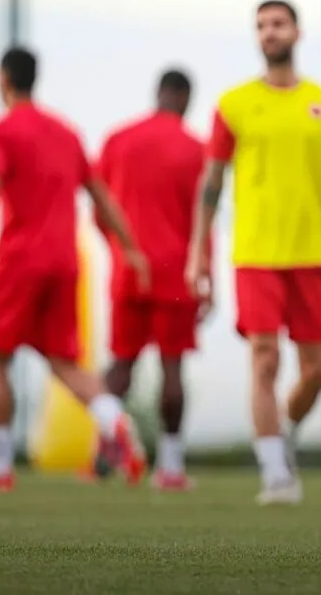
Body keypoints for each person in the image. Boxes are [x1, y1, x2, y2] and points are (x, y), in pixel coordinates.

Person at [186, 0, 321, 506]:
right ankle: (274, 473)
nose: (269, 32)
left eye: (278, 24)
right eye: (261, 26)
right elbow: (211, 181)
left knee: (320, 371)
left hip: (313, 254)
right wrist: (198, 253)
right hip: (255, 255)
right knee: (264, 357)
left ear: (296, 32)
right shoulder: (233, 105)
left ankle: (283, 432)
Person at [0, 47, 150, 491]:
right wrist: (131, 248)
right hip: (64, 263)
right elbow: (101, 195)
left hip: (19, 261)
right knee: (65, 363)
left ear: (3, 79)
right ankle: (116, 424)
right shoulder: (66, 132)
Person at [89, 68, 209, 491]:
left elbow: (98, 208)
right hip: (177, 273)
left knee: (121, 365)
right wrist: (205, 273)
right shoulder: (196, 149)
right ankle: (170, 467)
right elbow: (204, 218)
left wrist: (120, 250)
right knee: (172, 367)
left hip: (130, 270)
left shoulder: (117, 139)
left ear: (158, 92)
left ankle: (102, 458)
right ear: (185, 97)